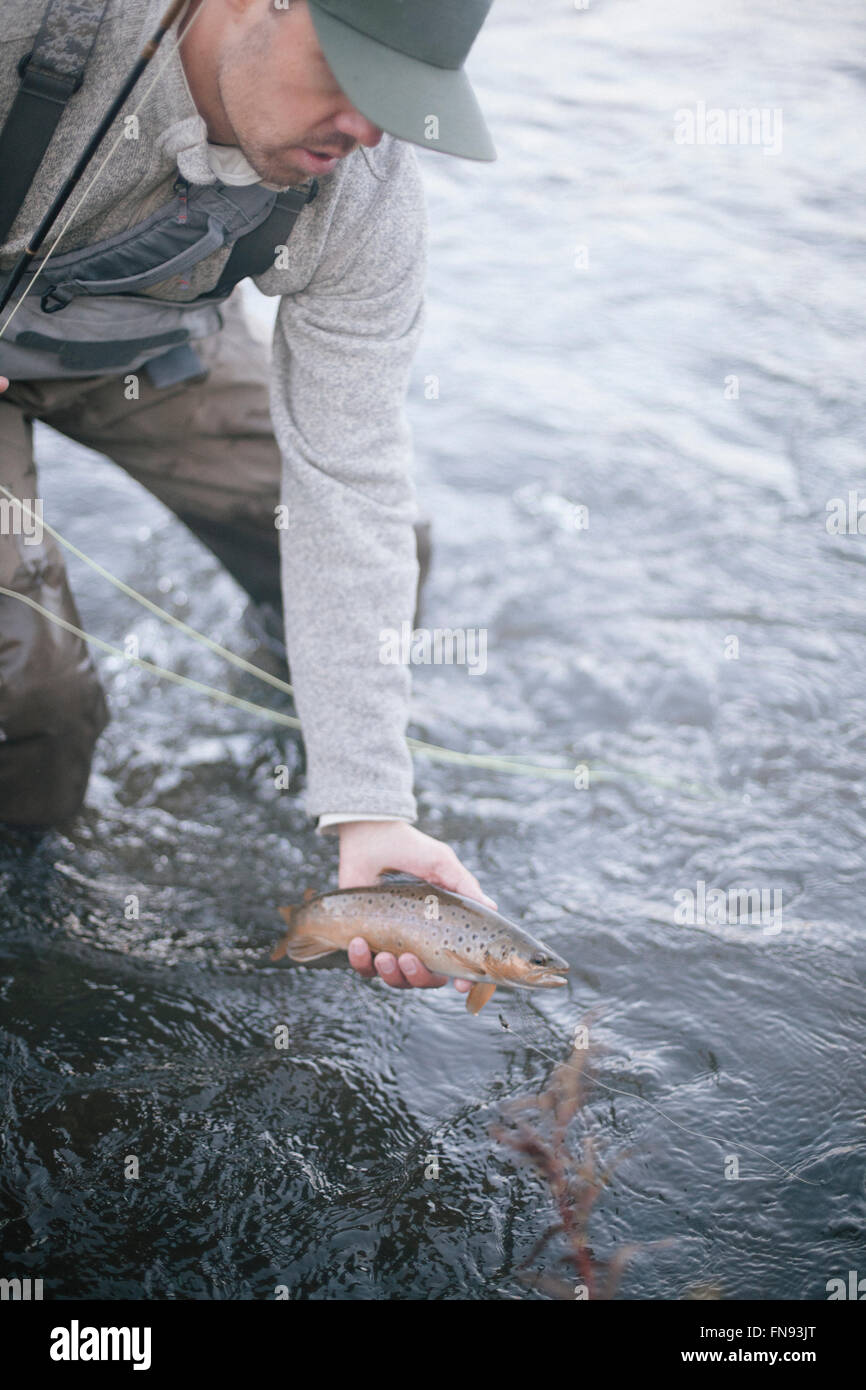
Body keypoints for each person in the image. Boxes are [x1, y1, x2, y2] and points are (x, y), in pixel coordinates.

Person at [0, 0, 499, 995]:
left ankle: (277, 746)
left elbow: (347, 477)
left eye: (402, 102)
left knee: (393, 548)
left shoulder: (364, 190)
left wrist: (366, 801)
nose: (367, 128)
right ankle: (31, 925)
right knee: (33, 692)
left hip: (146, 347)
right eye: (350, 75)